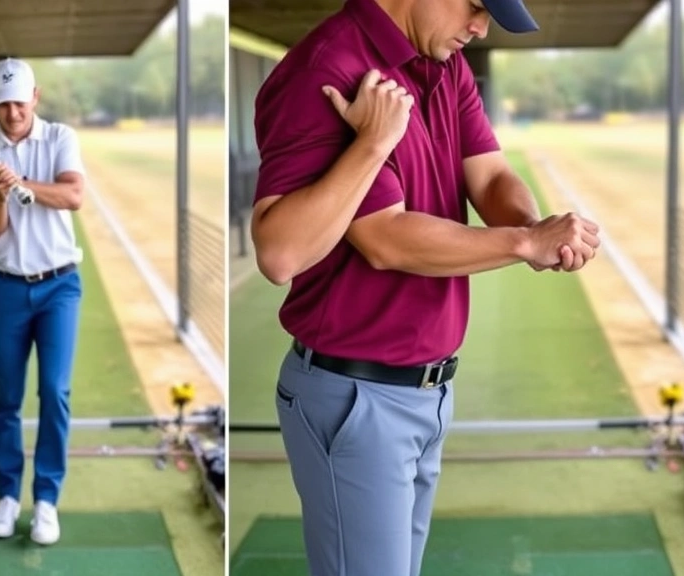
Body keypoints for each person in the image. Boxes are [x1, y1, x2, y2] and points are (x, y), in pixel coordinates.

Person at [250, 0, 601, 575]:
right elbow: (374, 241)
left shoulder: (443, 64)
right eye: (476, 7)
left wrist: (533, 228)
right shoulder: (327, 70)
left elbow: (488, 172)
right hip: (355, 396)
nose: (480, 27)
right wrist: (520, 245)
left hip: (426, 391)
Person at [0, 57, 86, 546]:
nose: (12, 112)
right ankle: (8, 496)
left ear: (35, 97)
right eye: (3, 104)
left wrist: (23, 185)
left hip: (60, 286)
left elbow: (74, 194)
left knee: (54, 392)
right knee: (7, 399)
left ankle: (47, 501)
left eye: (20, 101)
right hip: (8, 287)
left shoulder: (60, 138)